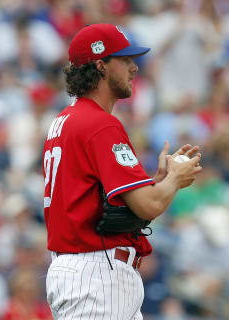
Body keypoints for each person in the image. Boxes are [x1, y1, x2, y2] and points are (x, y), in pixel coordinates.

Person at [43, 23, 202, 320]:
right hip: (95, 275)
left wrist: (160, 182)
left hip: (86, 271)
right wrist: (176, 180)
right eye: (125, 60)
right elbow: (149, 205)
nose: (134, 68)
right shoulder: (99, 124)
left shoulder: (65, 120)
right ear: (101, 66)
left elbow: (105, 201)